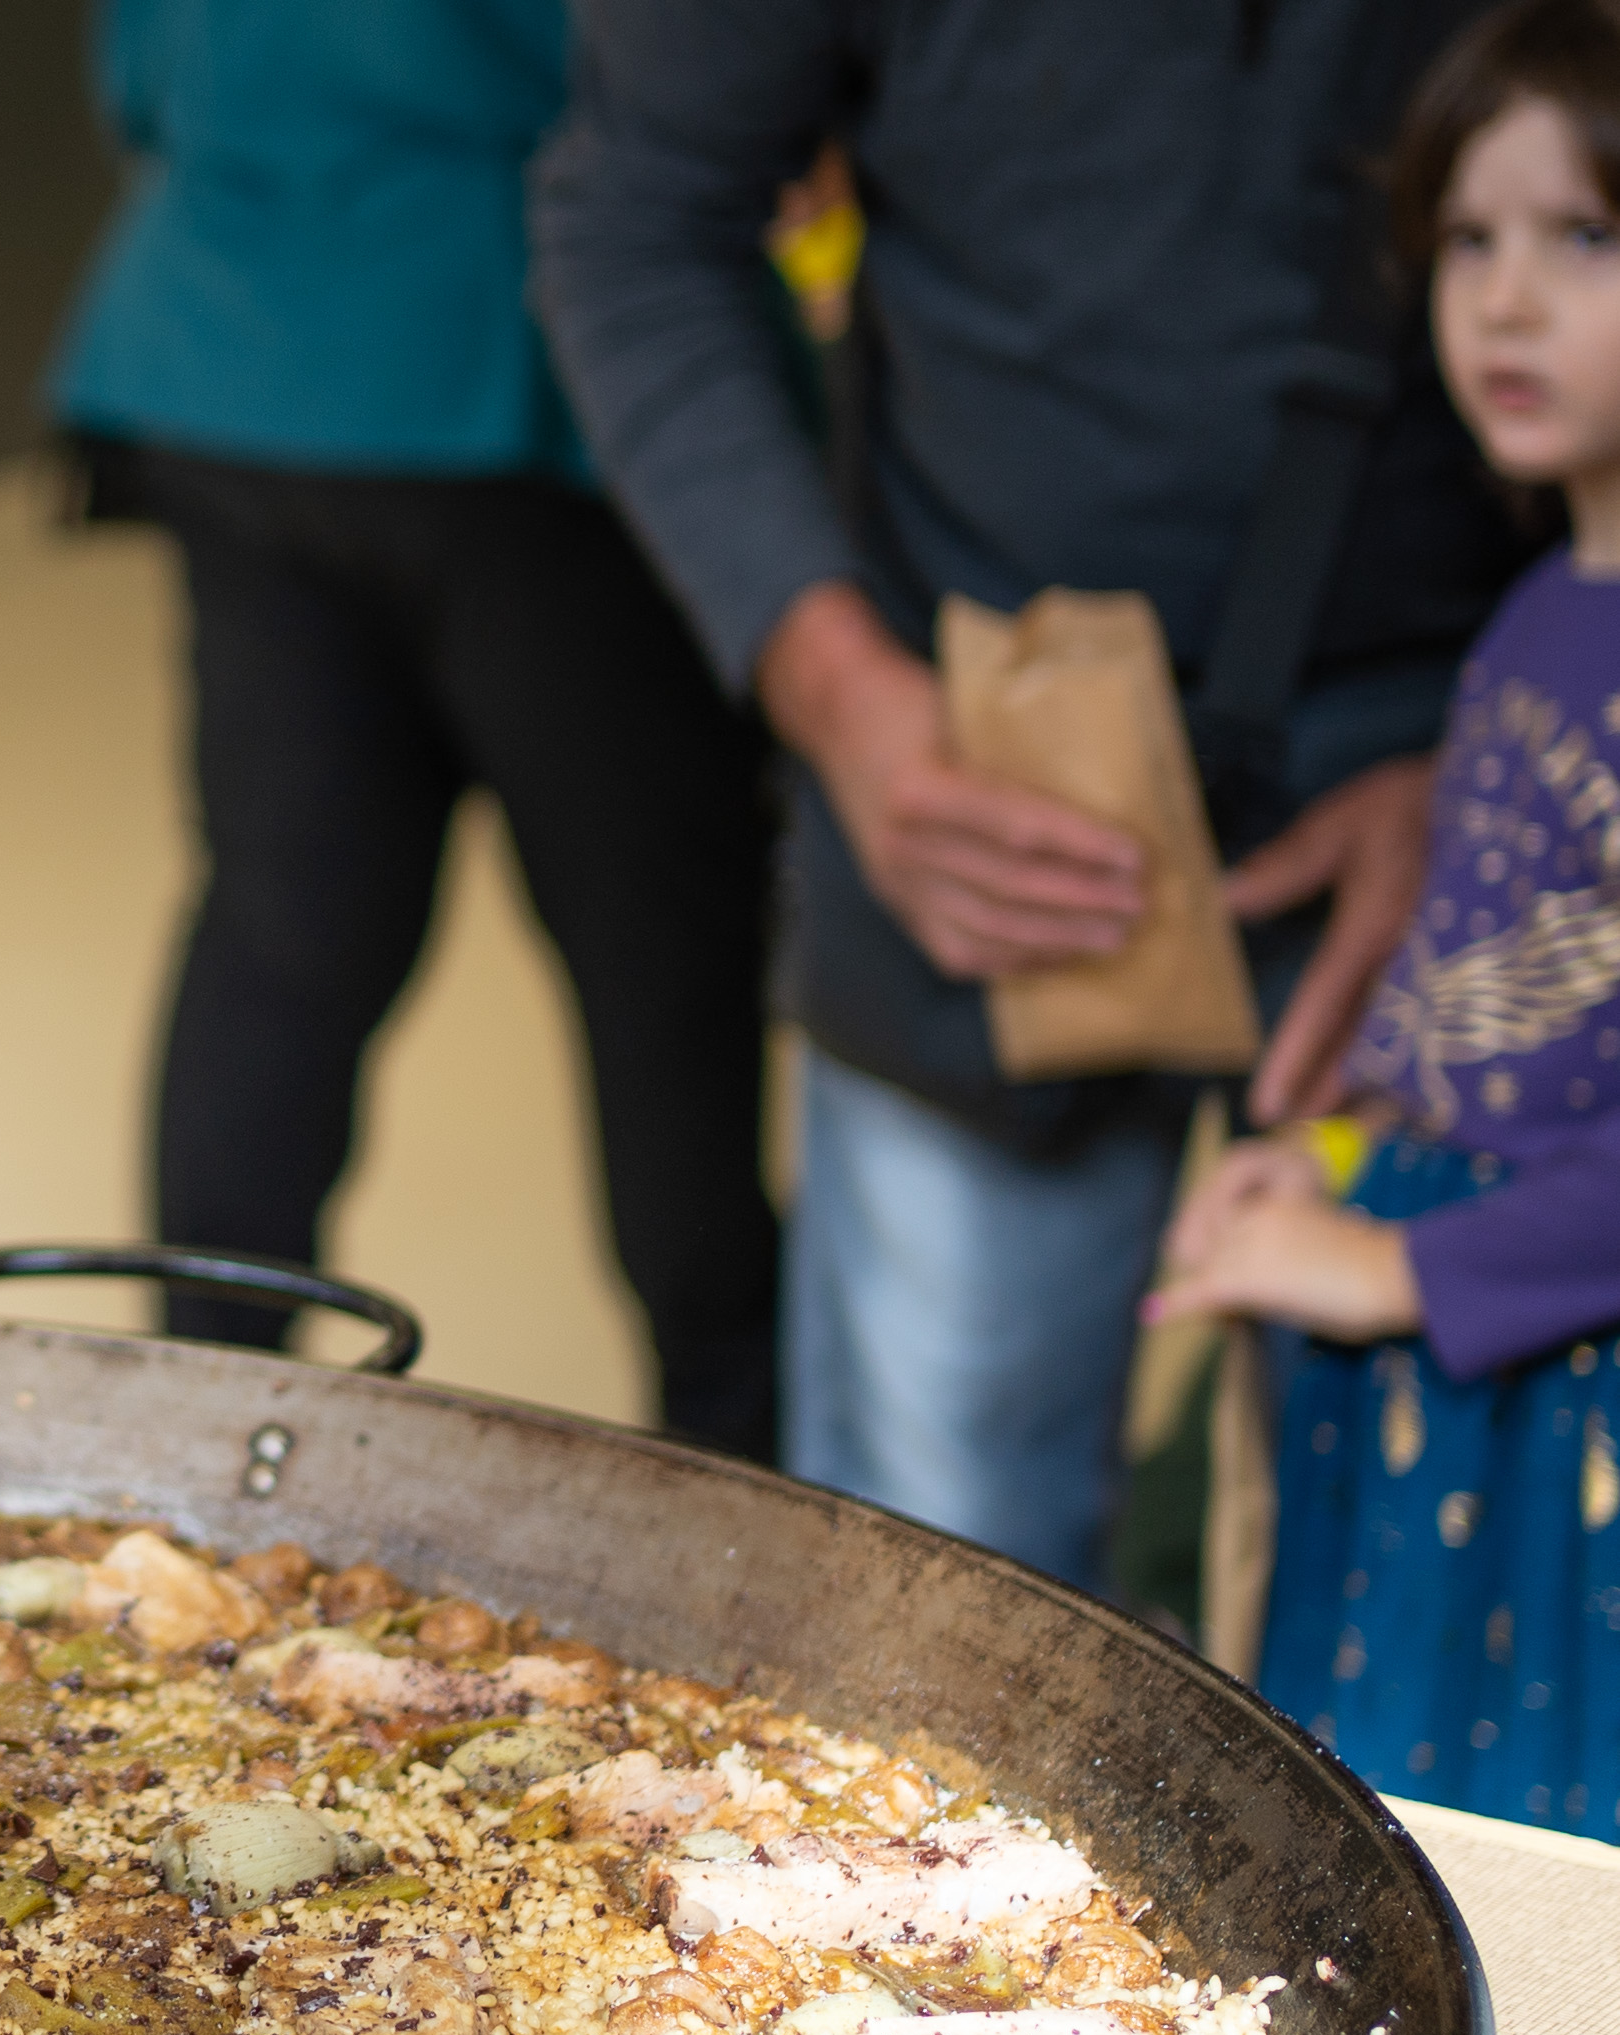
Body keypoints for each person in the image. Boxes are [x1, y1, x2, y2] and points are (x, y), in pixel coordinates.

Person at [536, 0, 1539, 1590]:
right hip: (968, 795)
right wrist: (841, 694)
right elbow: (634, 221)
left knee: (1432, 1585)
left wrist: (1517, 755)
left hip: (1465, 809)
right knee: (928, 1599)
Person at [58, 0, 781, 1459]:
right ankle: (740, 1464)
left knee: (281, 933)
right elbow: (709, 86)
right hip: (532, 354)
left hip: (239, 347)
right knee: (657, 952)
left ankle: (195, 1448)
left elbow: (133, 72)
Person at [1157, 0, 1620, 1829]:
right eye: (1469, 239)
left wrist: (1396, 1271)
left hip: (1559, 1425)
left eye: (1585, 235)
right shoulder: (1542, 613)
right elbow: (1507, 1030)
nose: (1505, 299)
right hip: (1451, 1399)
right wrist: (1341, 1163)